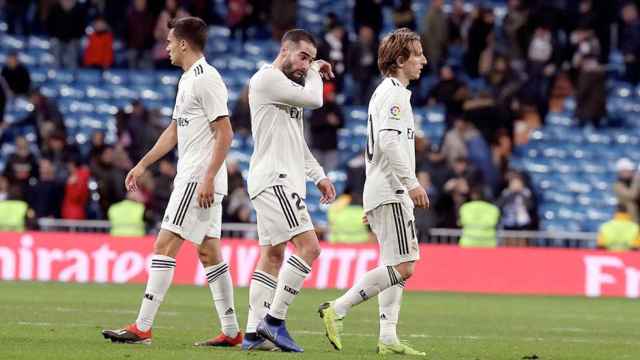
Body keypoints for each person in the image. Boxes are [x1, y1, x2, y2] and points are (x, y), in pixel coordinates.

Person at [101, 17, 241, 347]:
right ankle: (232, 331)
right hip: (196, 176)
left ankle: (143, 326)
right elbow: (174, 131)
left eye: (168, 42)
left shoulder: (206, 79)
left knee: (164, 245)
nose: (165, 47)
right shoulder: (188, 80)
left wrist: (207, 177)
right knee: (209, 253)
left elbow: (226, 132)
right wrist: (142, 164)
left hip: (197, 178)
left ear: (182, 43)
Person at [318, 28, 428, 356]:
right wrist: (411, 183)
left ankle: (388, 336)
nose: (424, 59)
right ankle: (336, 309)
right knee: (405, 266)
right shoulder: (392, 93)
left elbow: (378, 147)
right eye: (417, 53)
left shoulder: (388, 92)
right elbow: (389, 142)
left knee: (395, 265)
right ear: (399, 60)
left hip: (384, 189)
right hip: (393, 189)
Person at [243, 29, 336, 352]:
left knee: (272, 256)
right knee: (309, 248)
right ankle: (274, 320)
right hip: (275, 179)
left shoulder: (285, 89)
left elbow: (297, 141)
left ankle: (254, 334)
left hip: (280, 179)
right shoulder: (266, 79)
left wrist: (318, 175)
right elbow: (316, 99)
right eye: (302, 56)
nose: (305, 65)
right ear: (285, 49)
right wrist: (315, 70)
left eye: (310, 59)